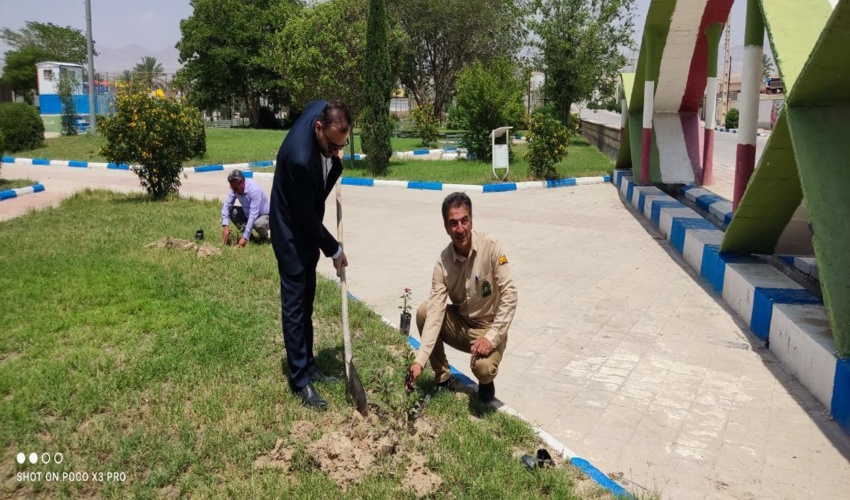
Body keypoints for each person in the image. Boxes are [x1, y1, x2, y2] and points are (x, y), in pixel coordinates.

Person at [270, 100, 351, 409]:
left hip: (306, 217)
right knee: (295, 303)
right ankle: (300, 379)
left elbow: (314, 205)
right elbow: (307, 219)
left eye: (341, 145)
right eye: (331, 145)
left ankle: (310, 362)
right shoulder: (300, 160)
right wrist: (335, 249)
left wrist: (335, 156)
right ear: (319, 127)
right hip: (290, 229)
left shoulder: (323, 109)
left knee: (308, 297)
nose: (335, 150)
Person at [407, 192, 517, 403]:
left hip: (489, 326)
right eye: (453, 223)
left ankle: (486, 382)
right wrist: (419, 361)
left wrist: (492, 337)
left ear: (471, 220)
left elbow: (510, 295)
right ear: (446, 227)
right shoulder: (443, 263)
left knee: (483, 369)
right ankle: (443, 378)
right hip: (461, 324)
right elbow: (435, 314)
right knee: (424, 311)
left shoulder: (490, 245)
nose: (460, 229)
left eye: (464, 221)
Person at [221, 170, 271, 247]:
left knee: (258, 224)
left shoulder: (254, 190)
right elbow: (227, 205)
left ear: (241, 183)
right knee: (232, 212)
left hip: (263, 216)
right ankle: (251, 238)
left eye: (235, 189)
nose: (234, 191)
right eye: (232, 188)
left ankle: (264, 238)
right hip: (248, 214)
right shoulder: (235, 187)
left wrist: (244, 238)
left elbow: (253, 215)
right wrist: (225, 225)